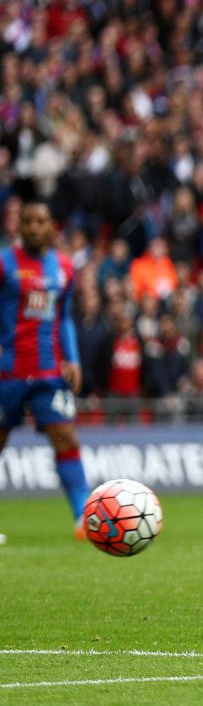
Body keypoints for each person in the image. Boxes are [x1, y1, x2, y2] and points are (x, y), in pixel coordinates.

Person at [0, 201, 89, 539]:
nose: (34, 227)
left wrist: (73, 358)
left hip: (49, 372)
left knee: (65, 435)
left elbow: (64, 316)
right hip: (7, 373)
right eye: (28, 221)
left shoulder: (63, 266)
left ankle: (83, 517)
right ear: (19, 227)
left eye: (40, 221)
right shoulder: (4, 263)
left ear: (52, 226)